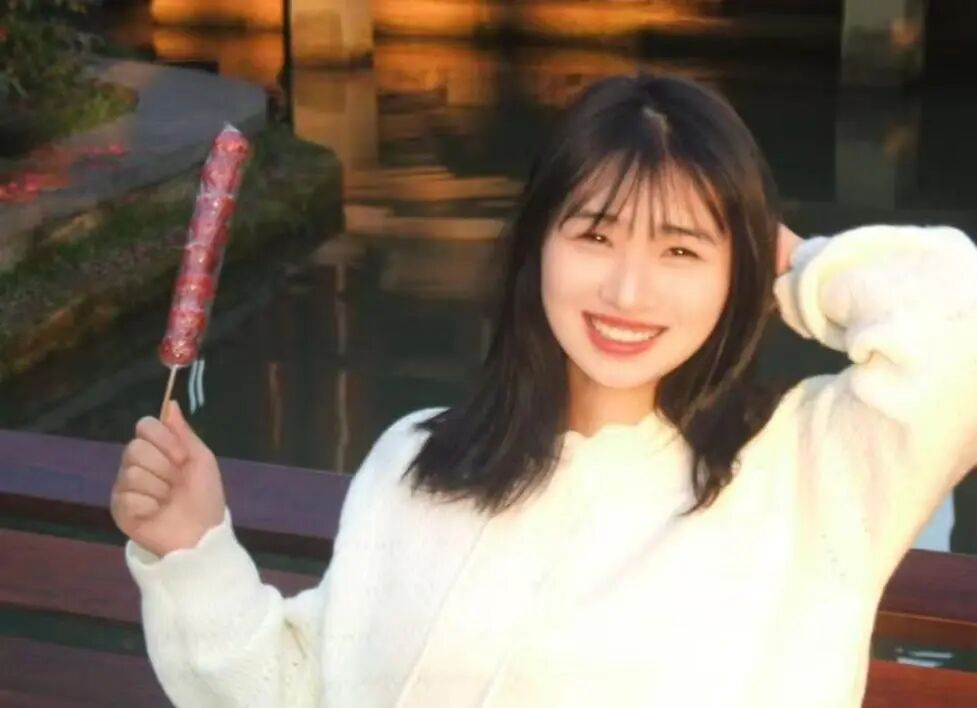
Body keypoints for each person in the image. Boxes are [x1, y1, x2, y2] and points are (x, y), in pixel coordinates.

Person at [111, 73, 977, 707]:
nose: (627, 291)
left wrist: (786, 257)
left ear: (736, 271)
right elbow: (303, 694)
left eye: (680, 249)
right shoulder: (421, 459)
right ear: (538, 245)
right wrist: (192, 552)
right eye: (595, 236)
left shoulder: (809, 473)